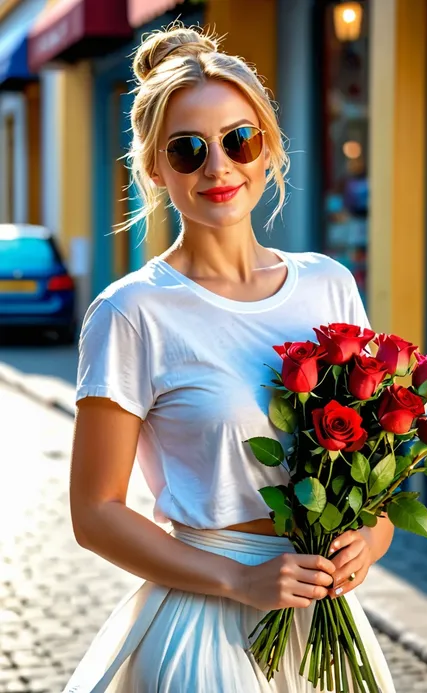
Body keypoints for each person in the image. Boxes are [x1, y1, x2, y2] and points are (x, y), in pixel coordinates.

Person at [63, 23, 395, 693]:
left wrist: (372, 539)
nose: (219, 168)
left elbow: (374, 477)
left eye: (239, 140)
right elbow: (94, 511)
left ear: (267, 148)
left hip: (325, 620)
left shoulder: (330, 284)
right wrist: (237, 577)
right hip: (204, 623)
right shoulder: (132, 312)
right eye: (188, 150)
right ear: (154, 168)